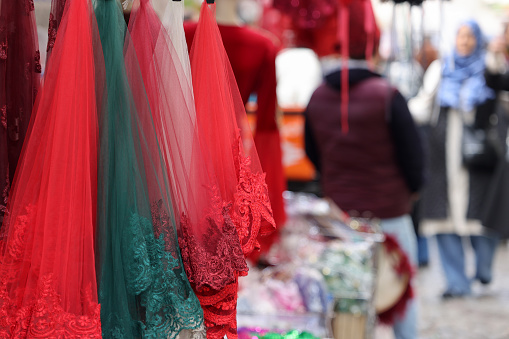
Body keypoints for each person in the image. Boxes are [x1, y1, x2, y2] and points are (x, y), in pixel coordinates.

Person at [304, 1, 425, 338]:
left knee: (346, 300)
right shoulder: (387, 95)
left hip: (341, 215)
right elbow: (414, 157)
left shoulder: (317, 97)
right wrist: (411, 191)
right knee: (403, 294)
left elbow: (312, 152)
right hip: (389, 213)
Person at [418, 20, 500, 299]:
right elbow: (422, 105)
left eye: (469, 36)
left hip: (479, 157)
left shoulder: (490, 68)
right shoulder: (441, 69)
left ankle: (483, 270)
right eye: (460, 36)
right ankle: (457, 283)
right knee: (444, 221)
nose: (464, 41)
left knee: (483, 217)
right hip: (442, 156)